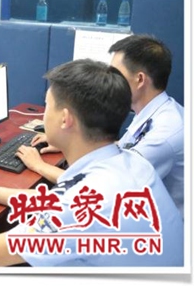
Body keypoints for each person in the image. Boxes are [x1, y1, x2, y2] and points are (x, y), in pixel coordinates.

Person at [0, 59, 183, 267]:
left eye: (47, 105)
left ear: (65, 119)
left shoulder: (84, 203)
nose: (44, 113)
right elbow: (58, 201)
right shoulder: (131, 162)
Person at [18, 34, 184, 218]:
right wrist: (72, 138)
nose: (109, 78)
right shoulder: (155, 111)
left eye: (115, 73)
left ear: (140, 79)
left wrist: (39, 165)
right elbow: (124, 149)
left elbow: (109, 184)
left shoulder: (164, 134)